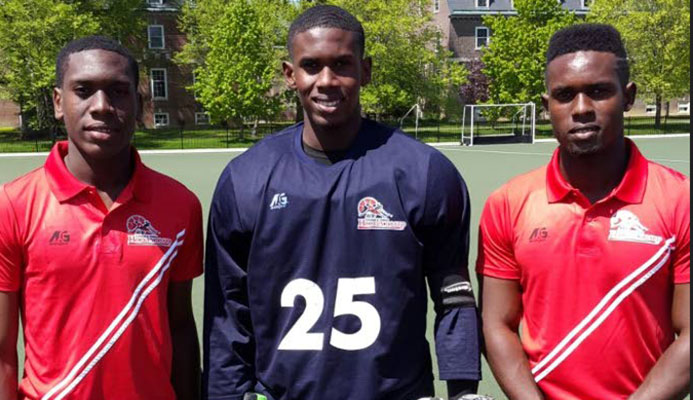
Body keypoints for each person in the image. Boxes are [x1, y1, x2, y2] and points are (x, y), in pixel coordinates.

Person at [203, 5, 481, 400]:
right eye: (311, 66)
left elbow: (453, 296)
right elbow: (229, 315)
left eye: (342, 65)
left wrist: (462, 391)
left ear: (365, 71)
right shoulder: (246, 179)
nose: (327, 81)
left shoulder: (424, 172)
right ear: (290, 74)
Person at [477, 24, 690, 400]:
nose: (581, 109)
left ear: (628, 97)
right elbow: (496, 325)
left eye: (598, 91)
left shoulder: (680, 199)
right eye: (564, 95)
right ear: (547, 107)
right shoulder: (508, 203)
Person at [0, 36, 203, 399]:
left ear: (139, 103)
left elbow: (182, 329)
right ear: (59, 102)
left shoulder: (180, 204)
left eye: (118, 91)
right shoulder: (14, 205)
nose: (102, 106)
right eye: (83, 90)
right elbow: (2, 352)